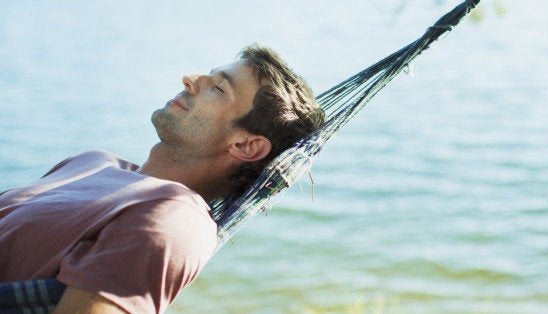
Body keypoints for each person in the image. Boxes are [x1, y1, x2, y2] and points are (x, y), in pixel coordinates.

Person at [0, 44, 325, 314]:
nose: (190, 79)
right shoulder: (94, 161)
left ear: (245, 145)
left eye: (219, 88)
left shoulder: (174, 217)